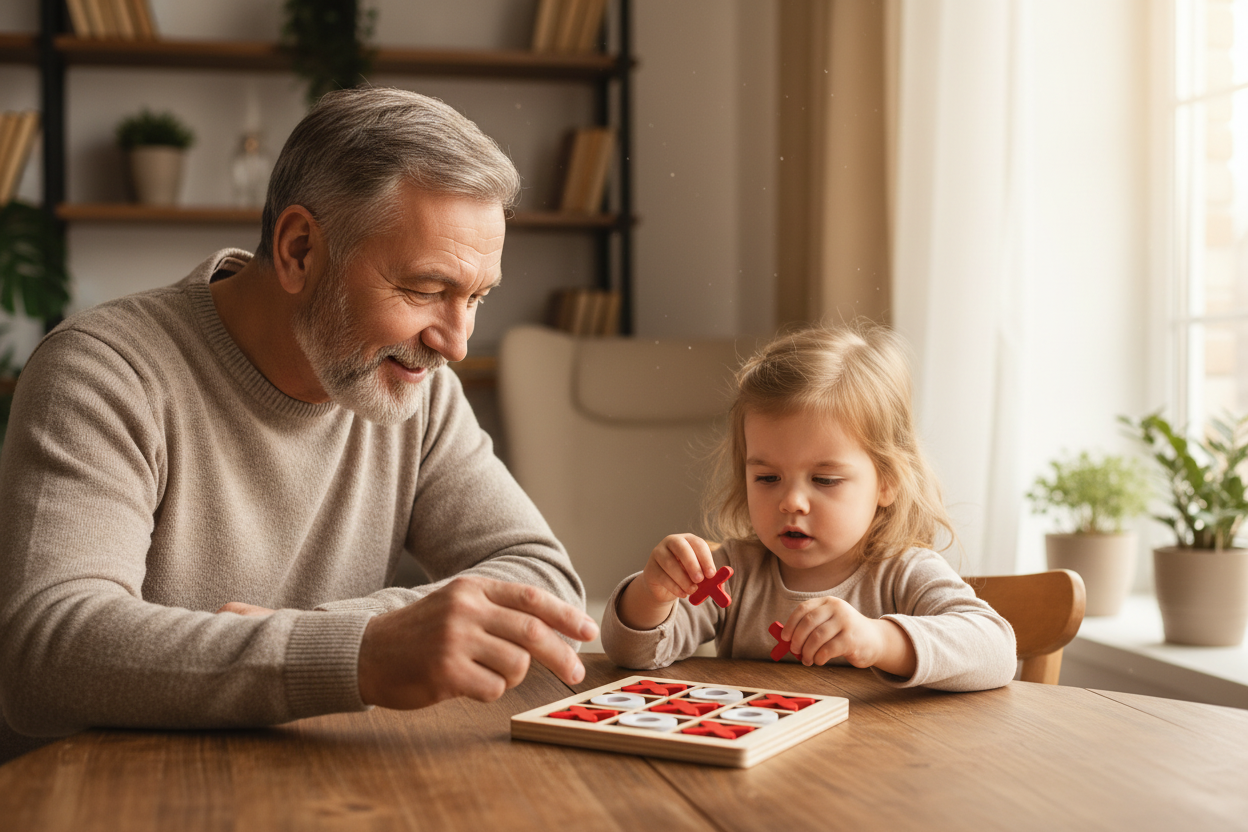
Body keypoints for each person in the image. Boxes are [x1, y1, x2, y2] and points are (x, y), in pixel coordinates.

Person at [0, 88, 596, 760]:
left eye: (477, 297)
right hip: (103, 793)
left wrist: (326, 637)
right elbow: (48, 652)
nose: (456, 343)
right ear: (299, 250)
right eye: (427, 290)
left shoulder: (417, 393)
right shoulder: (104, 373)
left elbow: (546, 589)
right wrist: (359, 655)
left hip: (311, 776)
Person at [601, 323, 1016, 691]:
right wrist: (652, 595)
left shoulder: (903, 573)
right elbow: (630, 655)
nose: (791, 501)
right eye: (767, 478)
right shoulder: (733, 574)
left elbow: (996, 651)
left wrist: (879, 640)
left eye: (824, 480)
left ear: (886, 480)